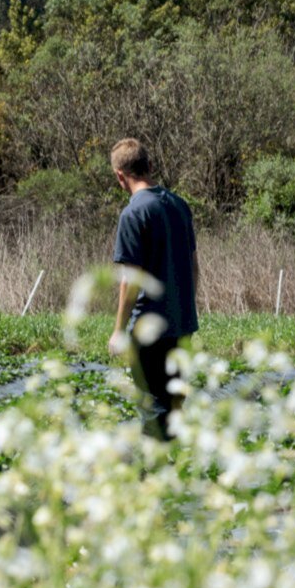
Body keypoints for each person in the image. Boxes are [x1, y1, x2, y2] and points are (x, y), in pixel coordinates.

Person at [108, 138, 199, 441]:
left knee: (152, 406)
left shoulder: (133, 214)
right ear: (150, 166)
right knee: (174, 403)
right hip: (183, 323)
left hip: (149, 328)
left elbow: (130, 279)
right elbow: (195, 266)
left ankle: (155, 478)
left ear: (121, 176)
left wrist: (119, 330)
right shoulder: (179, 206)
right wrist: (184, 308)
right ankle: (173, 475)